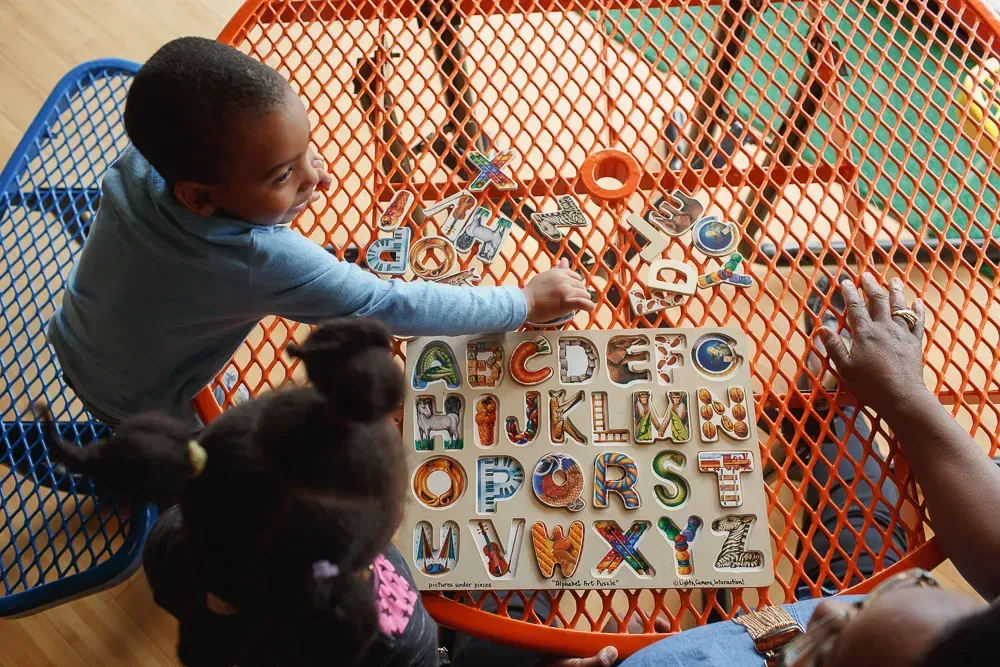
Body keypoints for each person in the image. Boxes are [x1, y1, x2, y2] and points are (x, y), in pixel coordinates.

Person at [47, 37, 594, 428]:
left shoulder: (141, 165)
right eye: (283, 174)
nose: (316, 176)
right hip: (141, 401)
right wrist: (521, 301)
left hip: (80, 334)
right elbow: (391, 304)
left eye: (305, 150)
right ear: (201, 196)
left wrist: (285, 186)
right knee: (222, 479)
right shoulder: (259, 261)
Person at [622, 274, 1000, 666]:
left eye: (827, 652)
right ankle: (830, 404)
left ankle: (829, 405)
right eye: (918, 584)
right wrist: (904, 390)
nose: (827, 611)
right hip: (851, 580)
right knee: (859, 508)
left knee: (848, 509)